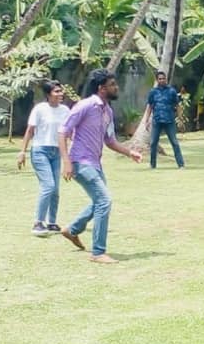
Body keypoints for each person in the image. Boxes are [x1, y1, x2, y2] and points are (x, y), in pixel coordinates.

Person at [58, 69, 143, 263]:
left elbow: (110, 141)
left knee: (98, 201)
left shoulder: (107, 111)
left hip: (95, 163)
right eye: (112, 85)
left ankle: (72, 230)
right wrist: (67, 162)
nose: (116, 87)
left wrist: (130, 152)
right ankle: (98, 253)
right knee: (104, 201)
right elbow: (62, 132)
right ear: (101, 88)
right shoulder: (85, 105)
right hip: (80, 162)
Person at [17, 81, 70, 238]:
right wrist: (22, 151)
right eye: (57, 91)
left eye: (61, 91)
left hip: (56, 151)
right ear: (48, 94)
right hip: (40, 151)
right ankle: (38, 222)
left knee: (55, 190)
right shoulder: (40, 109)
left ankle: (51, 222)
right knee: (48, 185)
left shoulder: (65, 110)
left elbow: (68, 132)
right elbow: (30, 131)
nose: (60, 94)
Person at [143, 70, 184, 169]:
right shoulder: (153, 92)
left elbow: (177, 105)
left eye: (163, 78)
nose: (162, 80)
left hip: (169, 121)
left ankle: (181, 164)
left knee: (174, 142)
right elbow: (150, 106)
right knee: (153, 143)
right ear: (157, 80)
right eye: (160, 79)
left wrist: (180, 119)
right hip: (157, 121)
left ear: (166, 79)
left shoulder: (172, 91)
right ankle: (152, 165)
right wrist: (146, 120)